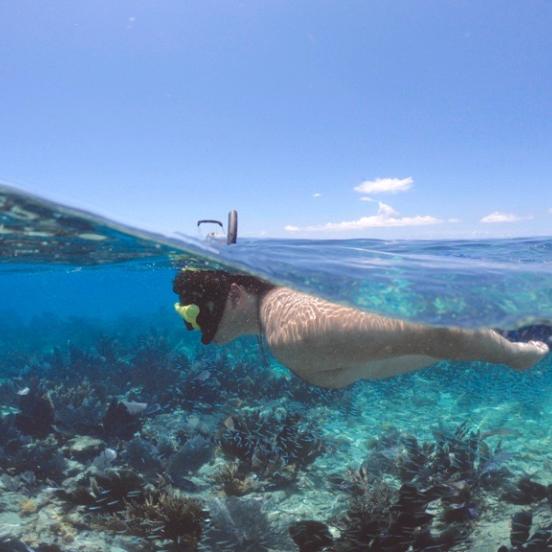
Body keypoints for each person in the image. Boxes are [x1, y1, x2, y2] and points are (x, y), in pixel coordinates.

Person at [173, 268, 549, 389]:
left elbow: (439, 333)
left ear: (236, 294)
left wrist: (517, 356)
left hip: (512, 337)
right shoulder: (282, 319)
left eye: (191, 312)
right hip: (497, 326)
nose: (192, 324)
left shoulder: (290, 330)